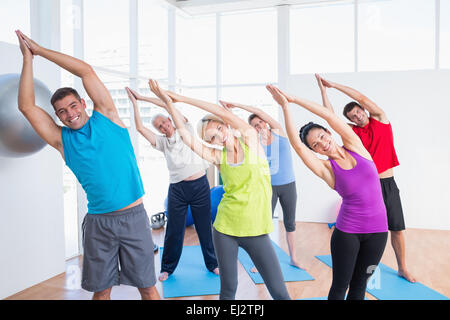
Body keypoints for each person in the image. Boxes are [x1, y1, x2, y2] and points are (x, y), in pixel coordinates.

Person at [15, 30, 160, 300]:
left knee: (148, 287)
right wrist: (28, 59)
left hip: (134, 217)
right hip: (99, 223)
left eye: (73, 105)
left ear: (83, 103)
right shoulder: (61, 140)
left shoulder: (107, 115)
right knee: (101, 290)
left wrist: (40, 50)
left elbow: (86, 71)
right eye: (62, 111)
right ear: (57, 116)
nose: (70, 114)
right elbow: (26, 107)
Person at [148, 80, 291, 300]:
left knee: (279, 291)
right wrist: (168, 103)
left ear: (226, 125)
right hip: (225, 229)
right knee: (228, 289)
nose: (218, 138)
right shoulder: (219, 157)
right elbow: (187, 138)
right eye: (211, 138)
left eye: (219, 130)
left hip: (256, 231)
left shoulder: (251, 141)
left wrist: (181, 99)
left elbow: (216, 110)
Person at [266, 84, 388, 300]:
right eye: (316, 144)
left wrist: (293, 98)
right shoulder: (327, 169)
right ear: (314, 150)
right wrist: (285, 107)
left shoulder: (356, 146)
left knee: (360, 285)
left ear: (329, 133)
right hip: (348, 232)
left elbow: (329, 116)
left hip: (378, 231)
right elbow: (297, 145)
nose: (323, 143)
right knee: (340, 286)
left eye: (322, 136)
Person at [315, 74, 415, 283]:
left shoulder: (381, 119)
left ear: (363, 109)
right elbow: (330, 117)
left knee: (396, 228)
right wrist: (324, 92)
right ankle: (360, 270)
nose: (357, 117)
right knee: (366, 233)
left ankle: (402, 267)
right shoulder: (353, 134)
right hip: (367, 188)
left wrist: (333, 85)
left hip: (387, 184)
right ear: (350, 120)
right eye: (353, 116)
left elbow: (361, 96)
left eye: (358, 112)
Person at [125, 87, 219, 282]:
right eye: (159, 126)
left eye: (164, 122)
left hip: (200, 186)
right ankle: (167, 268)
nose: (163, 127)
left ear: (170, 120)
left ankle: (213, 264)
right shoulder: (162, 143)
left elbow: (169, 105)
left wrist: (143, 96)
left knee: (204, 227)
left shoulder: (186, 129)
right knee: (174, 230)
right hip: (178, 189)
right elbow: (141, 128)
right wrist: (135, 104)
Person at [218, 100, 304, 270]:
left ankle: (293, 257)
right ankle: (261, 261)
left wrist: (238, 105)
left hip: (288, 186)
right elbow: (234, 130)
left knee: (290, 223)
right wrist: (227, 112)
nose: (258, 127)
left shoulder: (280, 132)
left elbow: (258, 110)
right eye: (254, 126)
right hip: (266, 188)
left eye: (260, 123)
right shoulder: (253, 144)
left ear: (266, 122)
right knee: (263, 224)